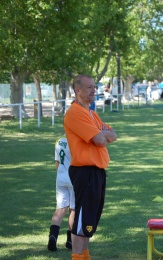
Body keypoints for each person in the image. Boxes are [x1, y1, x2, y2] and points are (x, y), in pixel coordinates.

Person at [64, 74, 117, 260]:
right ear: (78, 90)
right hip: (85, 171)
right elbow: (102, 139)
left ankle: (85, 256)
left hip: (97, 172)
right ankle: (78, 256)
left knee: (89, 221)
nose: (94, 90)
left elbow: (113, 134)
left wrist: (103, 133)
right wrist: (103, 133)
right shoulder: (75, 113)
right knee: (81, 221)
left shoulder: (92, 114)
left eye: (94, 87)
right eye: (89, 87)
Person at [47, 136, 75, 251]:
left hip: (61, 177)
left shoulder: (59, 140)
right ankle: (70, 240)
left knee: (60, 209)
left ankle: (53, 236)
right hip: (73, 178)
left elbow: (57, 162)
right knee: (74, 209)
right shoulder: (76, 141)